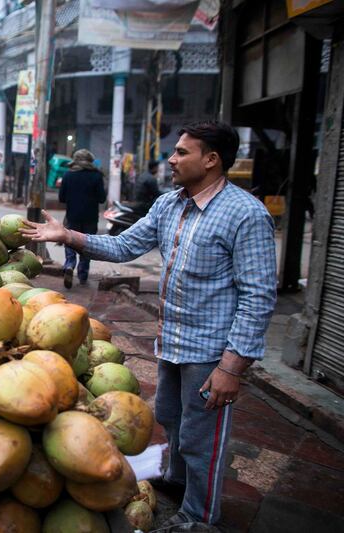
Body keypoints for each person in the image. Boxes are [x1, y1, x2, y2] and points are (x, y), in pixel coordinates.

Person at [21, 121, 277, 530]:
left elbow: (259, 296)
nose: (171, 160)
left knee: (201, 437)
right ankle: (178, 482)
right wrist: (68, 235)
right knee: (172, 418)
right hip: (173, 340)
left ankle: (200, 515)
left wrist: (232, 367)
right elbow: (124, 246)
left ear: (210, 160)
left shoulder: (246, 215)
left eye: (182, 152)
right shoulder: (169, 204)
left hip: (211, 351)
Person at [58, 149, 106, 288]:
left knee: (70, 241)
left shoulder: (68, 175)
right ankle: (83, 275)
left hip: (72, 216)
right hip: (90, 217)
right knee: (87, 244)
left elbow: (62, 198)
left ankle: (69, 264)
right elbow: (102, 199)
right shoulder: (96, 176)